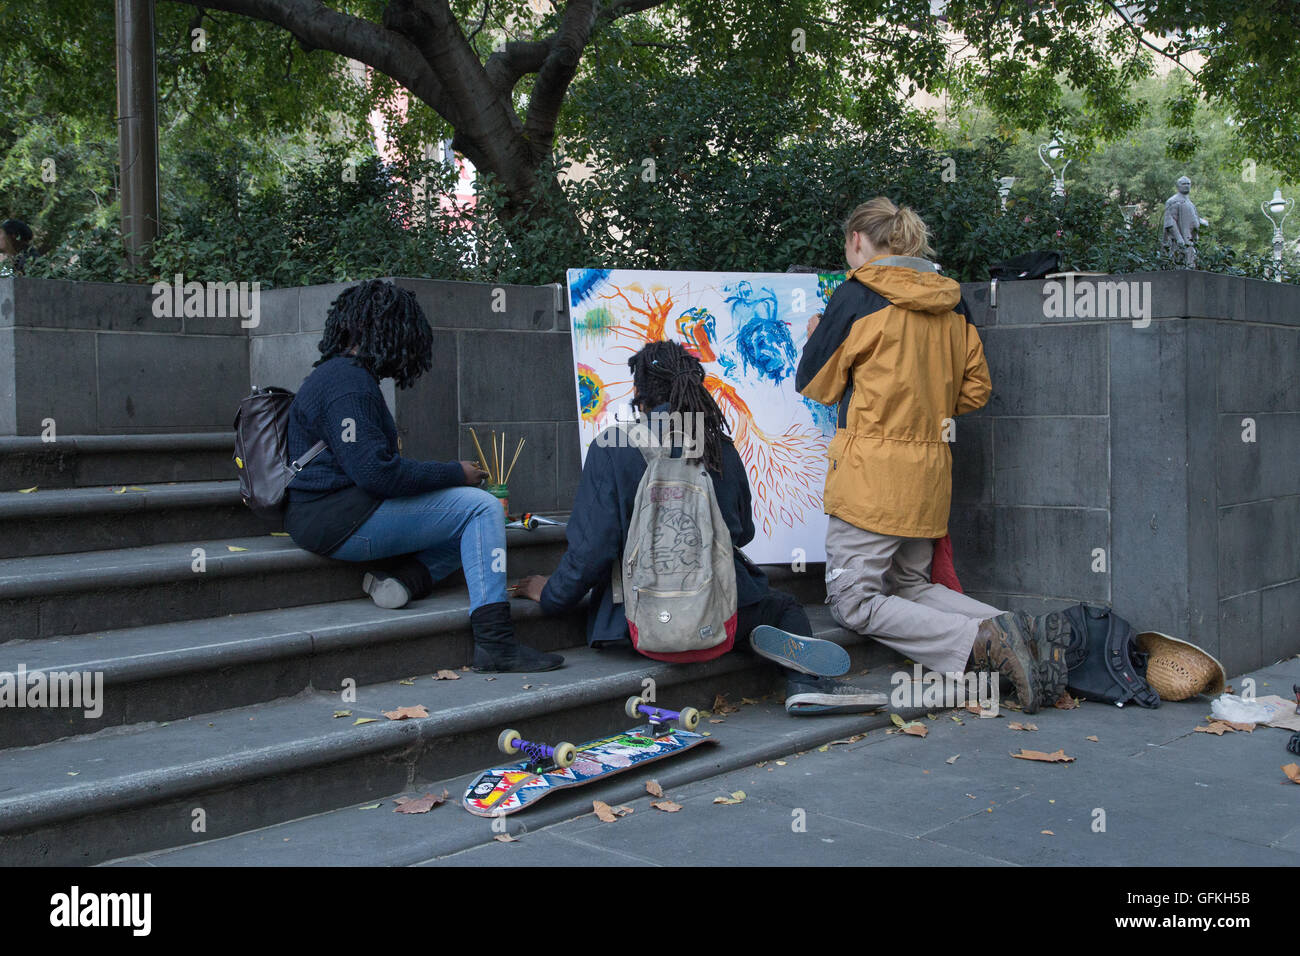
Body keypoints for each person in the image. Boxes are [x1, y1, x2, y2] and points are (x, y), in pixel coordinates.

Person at [517, 339, 885, 715]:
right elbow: (741, 532)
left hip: (637, 622)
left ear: (639, 391)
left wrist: (553, 595)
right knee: (782, 608)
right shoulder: (717, 445)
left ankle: (699, 631)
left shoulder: (611, 445)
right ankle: (803, 683)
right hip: (721, 605)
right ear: (695, 386)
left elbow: (592, 549)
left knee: (683, 607)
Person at [795, 197, 1053, 712]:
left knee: (855, 604)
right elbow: (975, 390)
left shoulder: (857, 296)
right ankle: (1015, 633)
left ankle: (979, 645)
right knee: (909, 585)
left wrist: (816, 337)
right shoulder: (953, 301)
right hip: (930, 473)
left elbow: (816, 385)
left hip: (870, 475)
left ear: (857, 241)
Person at [284, 279, 563, 673]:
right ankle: (495, 642)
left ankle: (403, 584)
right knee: (482, 509)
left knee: (467, 521)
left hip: (333, 514)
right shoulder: (347, 384)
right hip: (336, 519)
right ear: (385, 330)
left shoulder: (342, 376)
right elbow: (376, 474)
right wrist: (455, 473)